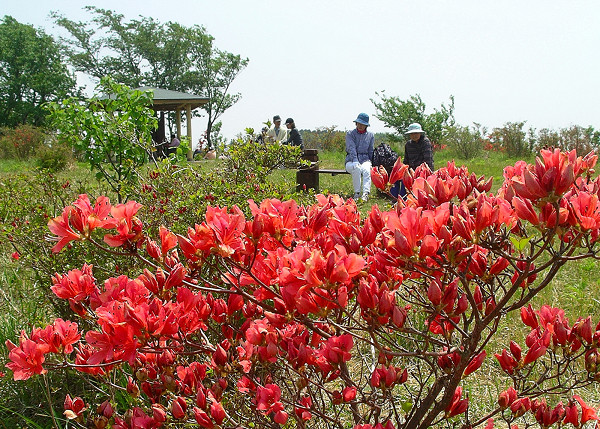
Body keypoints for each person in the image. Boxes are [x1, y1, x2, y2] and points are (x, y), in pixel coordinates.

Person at [345, 113, 374, 202]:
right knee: (356, 168)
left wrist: (372, 162)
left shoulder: (370, 135)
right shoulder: (350, 134)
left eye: (363, 124)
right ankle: (357, 193)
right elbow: (351, 148)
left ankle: (365, 193)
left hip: (365, 159)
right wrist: (355, 160)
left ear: (366, 125)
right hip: (351, 159)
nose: (360, 126)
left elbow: (370, 150)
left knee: (366, 170)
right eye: (359, 123)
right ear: (356, 123)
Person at [400, 123, 434, 197]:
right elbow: (406, 160)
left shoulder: (425, 142)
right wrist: (404, 172)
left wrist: (428, 174)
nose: (414, 135)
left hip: (422, 172)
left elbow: (428, 160)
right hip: (411, 171)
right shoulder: (408, 144)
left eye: (416, 133)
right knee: (402, 182)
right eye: (412, 133)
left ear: (420, 133)